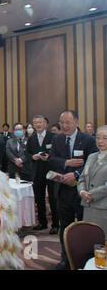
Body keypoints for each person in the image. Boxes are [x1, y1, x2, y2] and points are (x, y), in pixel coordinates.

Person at [48, 110, 98, 270]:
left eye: (68, 122)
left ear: (76, 122)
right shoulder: (57, 139)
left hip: (83, 191)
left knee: (85, 226)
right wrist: (67, 163)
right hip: (63, 191)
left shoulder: (88, 140)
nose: (64, 126)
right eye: (62, 122)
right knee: (65, 226)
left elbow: (92, 163)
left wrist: (76, 174)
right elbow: (51, 159)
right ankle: (66, 258)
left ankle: (86, 259)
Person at [26, 115, 59, 234]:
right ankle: (42, 222)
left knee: (52, 198)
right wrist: (32, 157)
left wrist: (49, 157)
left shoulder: (54, 137)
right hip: (37, 172)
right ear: (33, 125)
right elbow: (27, 154)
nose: (38, 125)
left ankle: (55, 224)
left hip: (51, 171)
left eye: (40, 122)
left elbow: (57, 153)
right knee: (39, 198)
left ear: (45, 124)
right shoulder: (31, 138)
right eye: (35, 123)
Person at [77, 125, 107, 238]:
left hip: (103, 208)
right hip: (88, 206)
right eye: (98, 137)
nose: (100, 141)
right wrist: (82, 192)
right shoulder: (91, 157)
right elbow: (82, 178)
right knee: (89, 240)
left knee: (103, 243)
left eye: (105, 138)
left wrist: (91, 194)